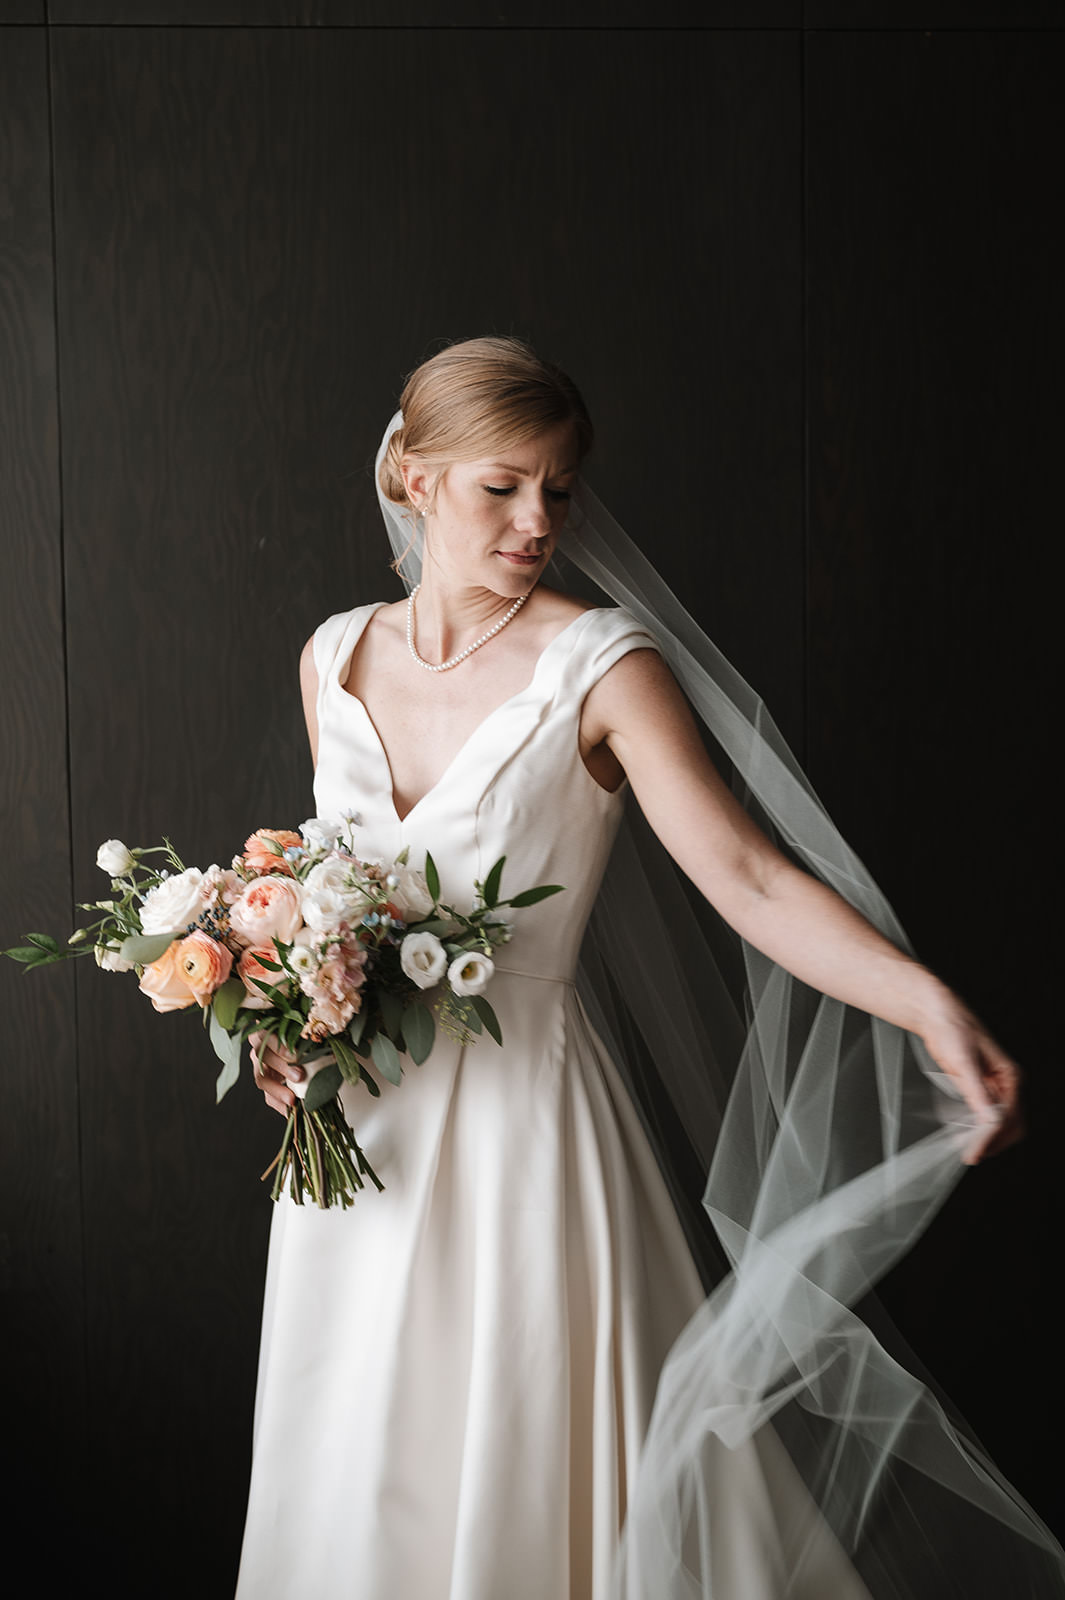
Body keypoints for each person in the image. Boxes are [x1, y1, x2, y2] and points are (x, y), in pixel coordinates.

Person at [236, 336, 1062, 1599]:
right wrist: (276, 1020)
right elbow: (325, 900)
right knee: (352, 1463)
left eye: (560, 490)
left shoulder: (602, 664)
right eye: (500, 486)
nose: (538, 522)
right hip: (361, 1150)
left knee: (531, 1465)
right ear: (412, 475)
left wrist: (927, 1004)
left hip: (525, 1138)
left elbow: (749, 877)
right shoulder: (333, 656)